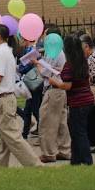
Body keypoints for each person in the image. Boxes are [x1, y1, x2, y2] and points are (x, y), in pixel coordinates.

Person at [0, 24, 41, 167]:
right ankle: (0, 168)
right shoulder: (2, 51)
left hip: (2, 101)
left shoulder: (1, 53)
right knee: (0, 139)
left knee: (12, 136)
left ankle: (35, 165)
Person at [48, 34, 95, 165]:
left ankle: (87, 161)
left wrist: (54, 82)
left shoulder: (70, 64)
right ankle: (76, 160)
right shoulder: (82, 61)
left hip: (78, 102)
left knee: (79, 132)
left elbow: (67, 85)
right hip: (87, 100)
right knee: (76, 131)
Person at [37, 27, 71, 163]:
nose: (44, 37)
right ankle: (65, 150)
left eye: (46, 35)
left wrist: (37, 64)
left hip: (54, 89)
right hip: (60, 91)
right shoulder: (59, 52)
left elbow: (45, 72)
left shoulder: (54, 52)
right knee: (61, 122)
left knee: (47, 121)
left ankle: (49, 153)